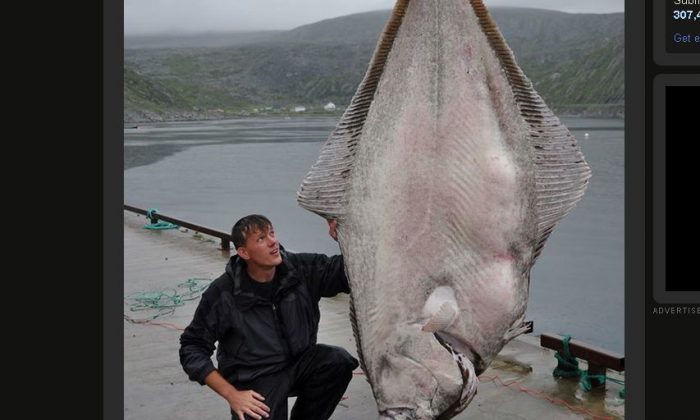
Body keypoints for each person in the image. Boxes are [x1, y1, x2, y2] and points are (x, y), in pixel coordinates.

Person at [179, 214, 359, 420]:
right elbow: (192, 347)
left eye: (272, 233)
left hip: (299, 365)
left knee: (337, 361)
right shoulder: (224, 292)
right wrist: (232, 395)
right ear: (243, 252)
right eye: (261, 239)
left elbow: (350, 271)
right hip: (255, 378)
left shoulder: (300, 270)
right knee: (255, 410)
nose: (273, 241)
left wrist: (345, 235)